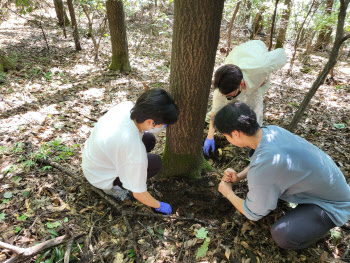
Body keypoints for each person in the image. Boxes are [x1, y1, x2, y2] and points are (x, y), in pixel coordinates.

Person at [214, 101, 350, 250]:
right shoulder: (271, 131)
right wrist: (239, 176)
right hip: (330, 187)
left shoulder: (266, 165)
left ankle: (318, 230)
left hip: (333, 205)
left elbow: (253, 212)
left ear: (235, 133)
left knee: (282, 234)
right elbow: (263, 162)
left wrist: (228, 193)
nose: (227, 139)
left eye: (226, 135)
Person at [82, 88, 179, 215]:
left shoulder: (126, 107)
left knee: (149, 139)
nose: (163, 127)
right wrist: (158, 205)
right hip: (101, 177)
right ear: (150, 122)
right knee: (155, 163)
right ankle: (115, 190)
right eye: (163, 125)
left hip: (94, 160)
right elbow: (139, 193)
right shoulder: (132, 146)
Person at [203, 40, 287, 156]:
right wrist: (210, 136)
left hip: (257, 68)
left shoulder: (260, 66)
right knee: (227, 104)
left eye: (230, 95)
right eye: (225, 95)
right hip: (241, 56)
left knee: (255, 109)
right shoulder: (223, 85)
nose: (226, 97)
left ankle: (257, 144)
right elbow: (215, 111)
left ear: (241, 84)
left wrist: (267, 73)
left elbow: (281, 54)